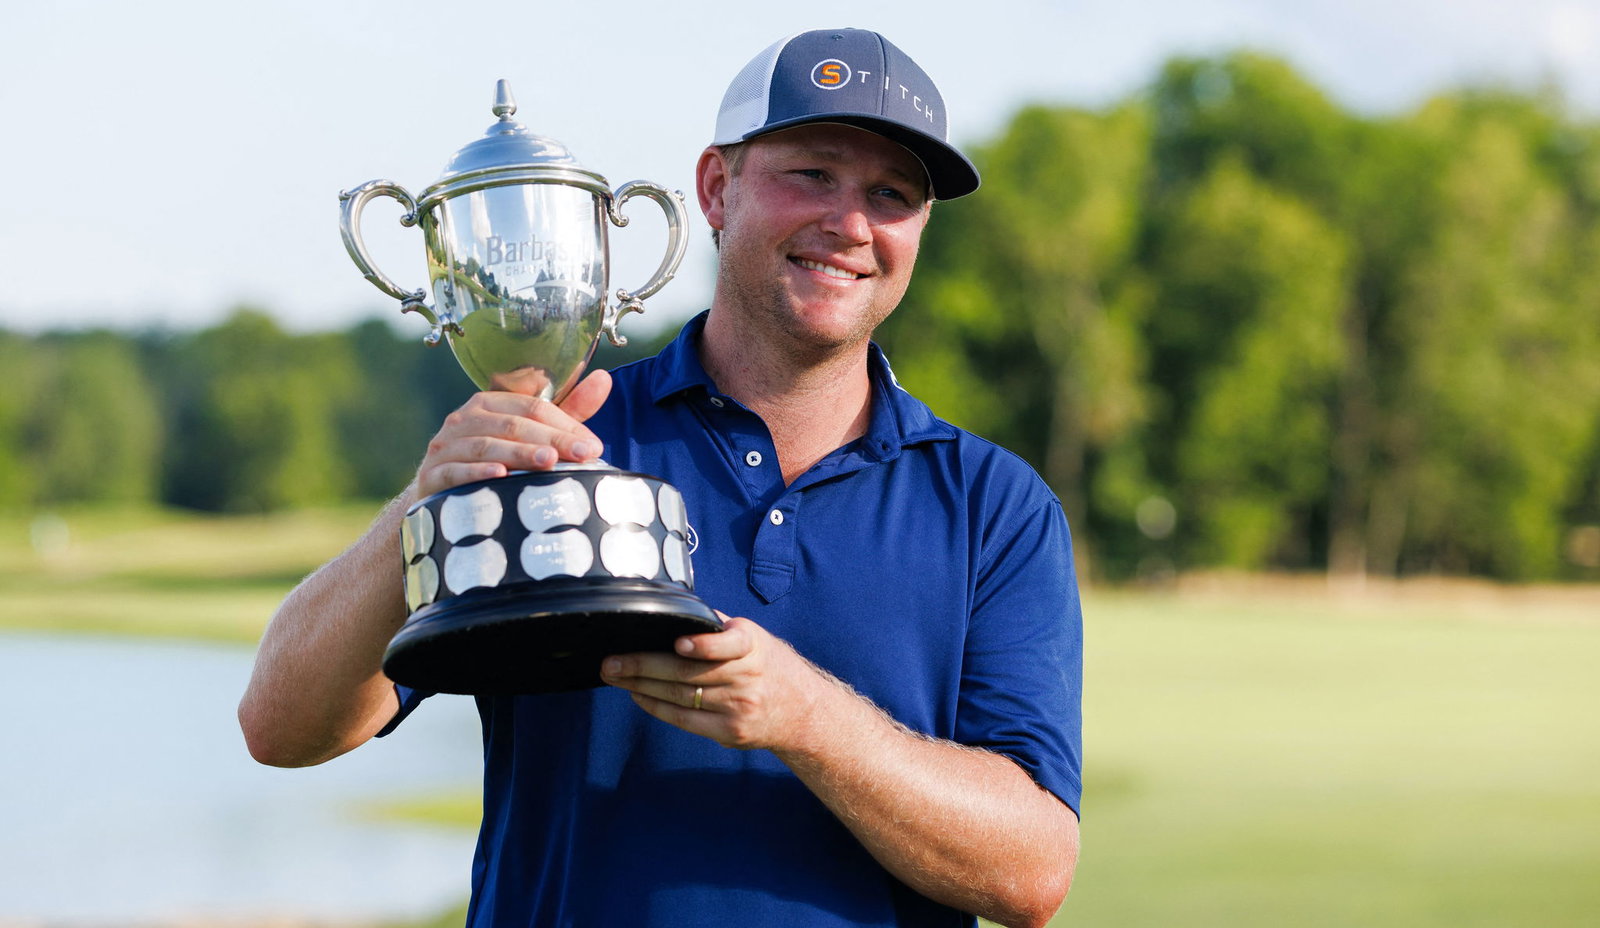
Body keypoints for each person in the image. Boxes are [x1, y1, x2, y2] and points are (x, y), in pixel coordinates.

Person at [241, 28, 1082, 928]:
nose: (850, 224)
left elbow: (1031, 874)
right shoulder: (565, 440)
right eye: (813, 174)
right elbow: (282, 729)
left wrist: (807, 717)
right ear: (716, 188)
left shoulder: (994, 505)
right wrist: (425, 504)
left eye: (892, 195)